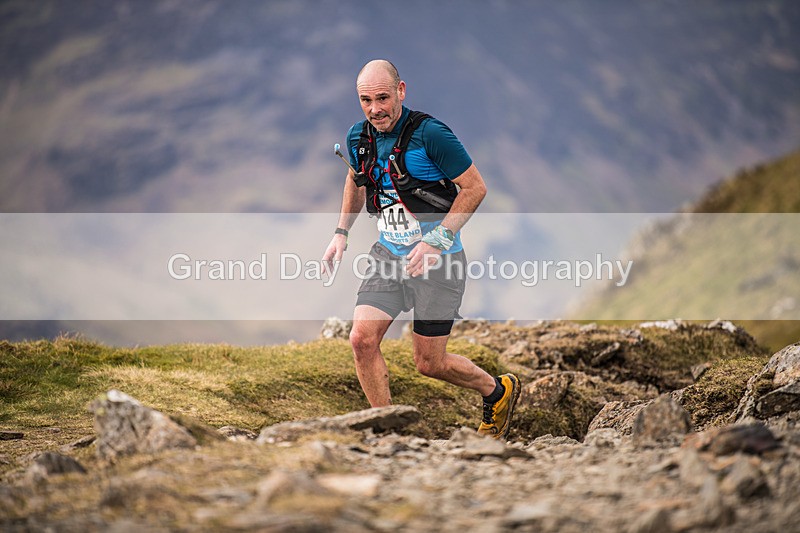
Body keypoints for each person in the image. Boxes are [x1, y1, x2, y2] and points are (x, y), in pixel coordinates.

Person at [323, 59, 520, 439]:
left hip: (440, 262)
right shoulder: (357, 137)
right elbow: (355, 179)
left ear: (401, 91)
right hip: (388, 255)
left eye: (382, 97)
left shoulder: (431, 134)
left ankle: (497, 391)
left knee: (429, 363)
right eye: (366, 100)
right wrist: (340, 232)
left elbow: (475, 188)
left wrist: (438, 239)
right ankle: (388, 429)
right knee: (362, 340)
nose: (375, 108)